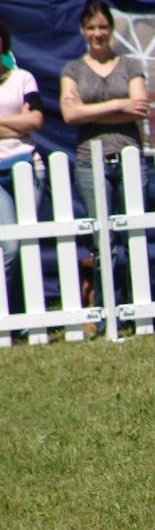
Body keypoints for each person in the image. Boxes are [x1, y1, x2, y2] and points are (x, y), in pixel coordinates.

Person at [60, 0, 149, 309]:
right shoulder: (73, 70)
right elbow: (70, 114)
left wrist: (90, 110)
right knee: (102, 240)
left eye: (102, 27)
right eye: (91, 27)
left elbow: (140, 108)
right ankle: (109, 309)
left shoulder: (130, 65)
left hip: (129, 157)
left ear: (111, 29)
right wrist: (119, 104)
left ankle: (140, 306)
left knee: (134, 235)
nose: (97, 33)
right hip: (89, 161)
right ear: (82, 30)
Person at [0, 18, 44, 314]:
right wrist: (18, 123)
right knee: (11, 246)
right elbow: (26, 122)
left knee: (28, 244)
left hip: (28, 166)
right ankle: (8, 312)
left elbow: (36, 120)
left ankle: (30, 316)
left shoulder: (23, 78)